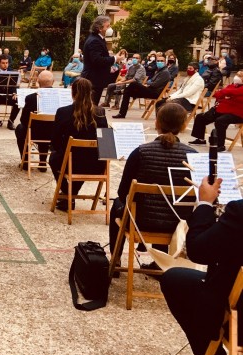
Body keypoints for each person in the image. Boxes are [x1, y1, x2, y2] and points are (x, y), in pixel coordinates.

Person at [160, 179, 243, 355]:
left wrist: (205, 204)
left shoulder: (239, 212)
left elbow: (198, 251)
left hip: (240, 319)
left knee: (174, 279)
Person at [109, 103, 197, 264]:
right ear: (184, 125)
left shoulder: (141, 152)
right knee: (167, 205)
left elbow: (123, 193)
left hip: (140, 220)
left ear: (157, 123)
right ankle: (159, 263)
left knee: (116, 204)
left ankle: (115, 260)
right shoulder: (193, 156)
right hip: (178, 223)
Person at [49, 78, 108, 211]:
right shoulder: (100, 113)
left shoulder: (63, 112)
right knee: (83, 158)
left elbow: (55, 141)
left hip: (70, 162)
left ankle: (68, 193)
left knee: (53, 159)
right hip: (96, 166)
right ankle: (71, 194)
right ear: (90, 93)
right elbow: (106, 143)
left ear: (73, 92)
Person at [188, 71, 243, 151]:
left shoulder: (237, 88)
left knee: (220, 121)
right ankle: (200, 139)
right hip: (222, 110)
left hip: (237, 113)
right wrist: (228, 95)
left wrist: (227, 94)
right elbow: (217, 94)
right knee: (201, 117)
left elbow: (228, 92)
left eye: (240, 76)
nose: (236, 77)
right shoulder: (232, 86)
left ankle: (220, 145)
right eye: (237, 75)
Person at [15, 70, 54, 170]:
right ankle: (42, 162)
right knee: (47, 129)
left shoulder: (31, 98)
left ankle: (26, 161)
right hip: (54, 135)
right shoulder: (62, 98)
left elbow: (23, 120)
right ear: (53, 82)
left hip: (34, 133)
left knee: (20, 128)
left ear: (38, 82)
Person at [113, 54, 170, 119]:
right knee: (127, 92)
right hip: (150, 90)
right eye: (158, 61)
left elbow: (154, 84)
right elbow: (151, 81)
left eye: (161, 61)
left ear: (165, 62)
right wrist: (149, 82)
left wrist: (148, 82)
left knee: (134, 83)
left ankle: (121, 91)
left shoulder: (165, 72)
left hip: (154, 93)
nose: (159, 62)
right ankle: (122, 113)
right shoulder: (159, 71)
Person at [82, 15, 123, 104]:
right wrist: (115, 58)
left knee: (92, 104)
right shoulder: (95, 40)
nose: (110, 29)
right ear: (100, 28)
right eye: (107, 26)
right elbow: (97, 60)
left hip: (96, 79)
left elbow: (101, 56)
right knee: (91, 105)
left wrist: (113, 57)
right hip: (93, 79)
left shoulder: (98, 39)